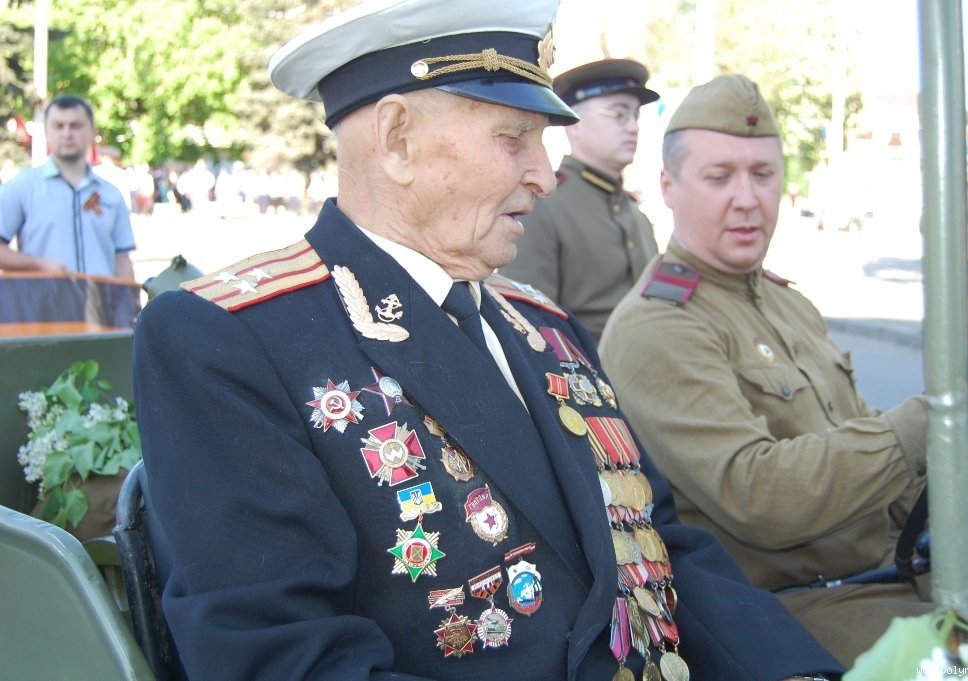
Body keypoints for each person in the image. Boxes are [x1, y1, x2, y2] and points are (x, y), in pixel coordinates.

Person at [131, 4, 843, 680]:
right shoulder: (229, 340)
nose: (545, 175)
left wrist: (793, 668)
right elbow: (284, 657)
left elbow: (656, 543)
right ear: (398, 139)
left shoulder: (545, 327)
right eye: (514, 139)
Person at [599, 73, 968, 667]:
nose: (747, 198)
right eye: (719, 177)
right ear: (668, 187)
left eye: (763, 174)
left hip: (888, 575)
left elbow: (878, 469)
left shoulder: (788, 304)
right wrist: (938, 413)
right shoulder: (657, 325)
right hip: (794, 612)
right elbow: (759, 496)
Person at [499, 58, 660, 343]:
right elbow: (530, 325)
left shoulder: (636, 215)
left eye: (636, 115)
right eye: (619, 114)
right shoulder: (543, 207)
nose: (633, 127)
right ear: (576, 124)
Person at [0, 95, 136, 278]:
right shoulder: (22, 188)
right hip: (43, 296)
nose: (66, 133)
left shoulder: (110, 194)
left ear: (92, 131)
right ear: (46, 131)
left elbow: (122, 260)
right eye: (58, 126)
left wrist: (128, 295)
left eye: (75, 126)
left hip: (100, 297)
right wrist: (37, 265)